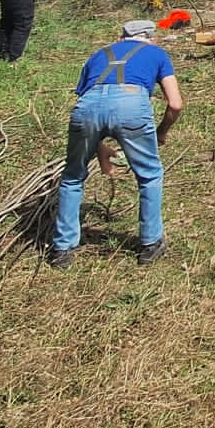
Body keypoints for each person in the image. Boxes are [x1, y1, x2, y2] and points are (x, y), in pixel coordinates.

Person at [49, 19, 184, 267]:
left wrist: (98, 146)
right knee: (149, 175)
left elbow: (93, 107)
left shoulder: (98, 54)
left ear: (120, 38)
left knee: (72, 177)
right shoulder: (157, 53)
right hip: (131, 105)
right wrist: (161, 132)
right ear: (151, 38)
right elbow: (175, 104)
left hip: (87, 108)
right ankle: (150, 244)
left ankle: (62, 249)